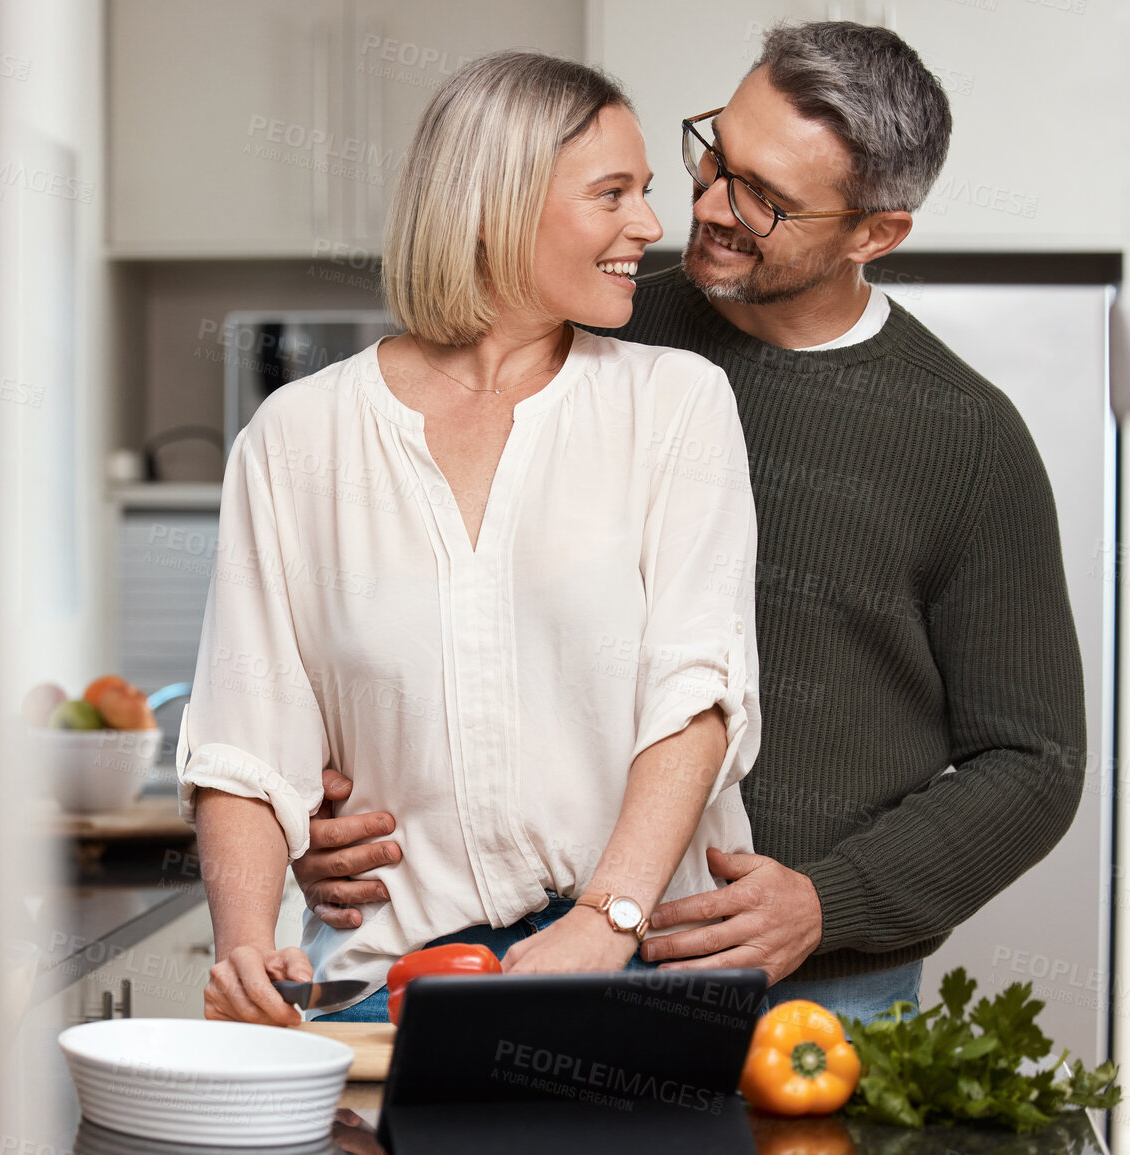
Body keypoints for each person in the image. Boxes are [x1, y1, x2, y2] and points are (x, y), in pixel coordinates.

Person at [294, 22, 1087, 1025]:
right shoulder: (587, 324)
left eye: (768, 200)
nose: (707, 207)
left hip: (816, 995)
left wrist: (826, 902)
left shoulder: (964, 438)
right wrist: (331, 796)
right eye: (716, 155)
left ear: (874, 234)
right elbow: (425, 605)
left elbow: (1034, 760)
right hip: (537, 947)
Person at [177, 51, 762, 1026]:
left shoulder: (674, 404)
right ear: (496, 201)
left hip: (643, 966)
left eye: (647, 191)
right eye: (612, 193)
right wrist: (247, 954)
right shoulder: (300, 436)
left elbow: (696, 695)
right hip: (392, 986)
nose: (651, 227)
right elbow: (245, 743)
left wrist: (603, 921)